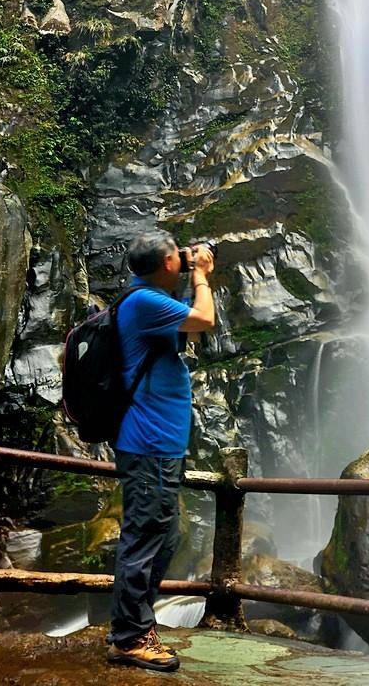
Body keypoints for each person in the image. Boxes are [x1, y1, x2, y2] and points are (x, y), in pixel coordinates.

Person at [105, 231, 216, 672]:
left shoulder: (149, 298)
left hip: (159, 443)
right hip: (148, 444)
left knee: (162, 536)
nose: (186, 259)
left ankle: (137, 626)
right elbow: (203, 320)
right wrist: (203, 277)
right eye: (179, 257)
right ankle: (129, 638)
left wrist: (191, 278)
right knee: (145, 538)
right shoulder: (144, 303)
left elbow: (186, 324)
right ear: (168, 264)